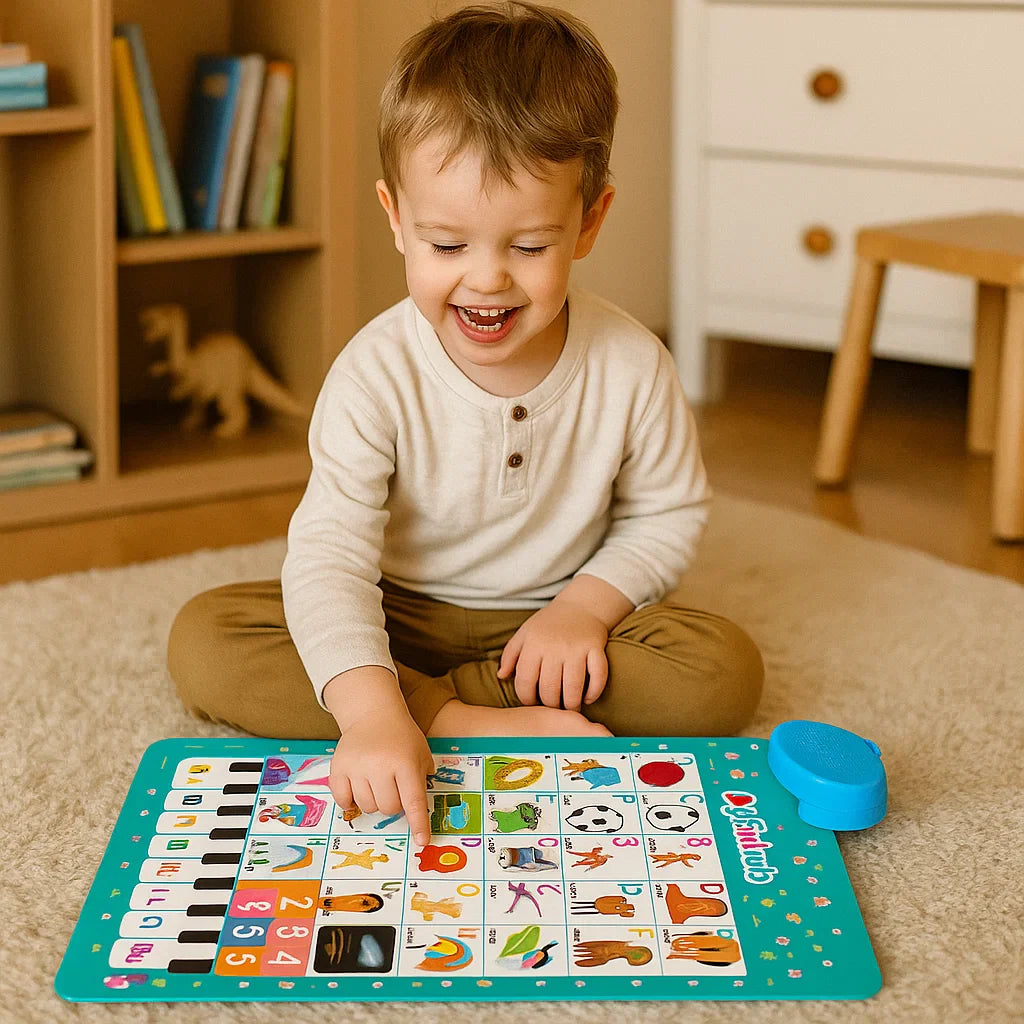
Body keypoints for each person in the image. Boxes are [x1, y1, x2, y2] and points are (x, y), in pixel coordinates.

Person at [167, 1, 763, 847]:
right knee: (207, 639)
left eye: (528, 247)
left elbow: (665, 515)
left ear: (588, 220)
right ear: (397, 217)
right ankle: (454, 717)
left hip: (551, 621)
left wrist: (585, 610)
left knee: (720, 671)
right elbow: (332, 552)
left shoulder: (632, 364)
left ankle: (444, 698)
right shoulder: (374, 373)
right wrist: (373, 709)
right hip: (397, 608)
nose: (486, 281)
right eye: (447, 245)